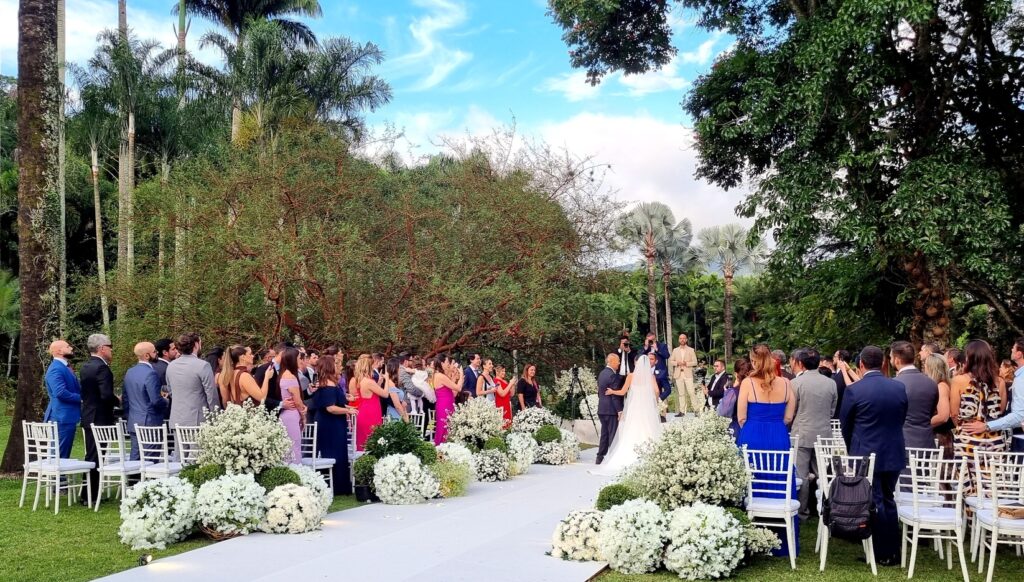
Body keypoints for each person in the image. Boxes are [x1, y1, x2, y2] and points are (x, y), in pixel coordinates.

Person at [840, 345, 908, 567]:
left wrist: (854, 447)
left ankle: (883, 552)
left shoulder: (855, 390)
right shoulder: (898, 387)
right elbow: (901, 418)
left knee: (875, 501)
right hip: (893, 451)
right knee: (888, 498)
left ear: (861, 364)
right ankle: (892, 550)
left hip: (866, 453)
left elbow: (845, 425)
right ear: (883, 363)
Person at [738, 344, 798, 558]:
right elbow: (789, 417)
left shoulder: (747, 383)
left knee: (752, 481)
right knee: (779, 481)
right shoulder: (786, 383)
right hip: (778, 436)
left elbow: (741, 417)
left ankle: (753, 536)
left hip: (753, 436)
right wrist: (775, 425)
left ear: (754, 361)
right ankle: (780, 539)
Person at [788, 347, 837, 522]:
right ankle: (825, 508)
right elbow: (832, 410)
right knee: (823, 474)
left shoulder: (796, 383)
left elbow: (792, 410)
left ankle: (802, 512)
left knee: (801, 475)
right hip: (824, 433)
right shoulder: (830, 383)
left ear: (800, 363)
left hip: (802, 433)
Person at [593, 352, 663, 475]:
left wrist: (612, 391)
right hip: (646, 409)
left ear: (636, 363)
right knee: (648, 429)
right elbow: (657, 391)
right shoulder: (651, 377)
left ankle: (623, 454)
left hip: (634, 409)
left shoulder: (631, 376)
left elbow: (622, 392)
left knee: (632, 430)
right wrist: (654, 401)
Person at [954, 340, 1010, 490]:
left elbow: (954, 413)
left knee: (969, 483)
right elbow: (1001, 410)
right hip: (994, 439)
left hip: (967, 439)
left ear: (969, 357)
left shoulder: (959, 380)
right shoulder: (999, 382)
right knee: (993, 484)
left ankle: (970, 504)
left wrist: (964, 426)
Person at [962, 337, 1024, 452]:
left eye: (1013, 348)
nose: (1011, 350)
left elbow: (1020, 416)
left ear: (1019, 354)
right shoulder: (1018, 377)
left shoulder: (1021, 379)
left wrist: (987, 426)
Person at [307, 355, 355, 495]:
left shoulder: (326, 383)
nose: (338, 366)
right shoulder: (328, 385)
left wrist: (346, 405)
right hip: (330, 423)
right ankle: (337, 485)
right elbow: (330, 408)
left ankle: (337, 484)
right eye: (335, 364)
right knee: (335, 451)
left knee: (336, 451)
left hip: (331, 422)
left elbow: (335, 402)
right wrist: (348, 410)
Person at [79, 333, 117, 504]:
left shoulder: (86, 366)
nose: (111, 350)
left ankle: (87, 493)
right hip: (100, 418)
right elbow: (106, 395)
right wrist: (118, 401)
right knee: (97, 456)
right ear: (102, 348)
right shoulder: (102, 368)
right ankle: (90, 496)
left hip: (89, 415)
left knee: (92, 455)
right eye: (110, 347)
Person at [890, 340, 940, 450]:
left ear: (897, 359)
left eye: (891, 358)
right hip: (927, 444)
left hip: (902, 444)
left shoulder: (893, 384)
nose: (890, 361)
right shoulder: (931, 383)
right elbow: (931, 411)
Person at [122, 342, 168, 461]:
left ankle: (133, 474)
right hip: (150, 422)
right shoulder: (151, 373)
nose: (157, 353)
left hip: (134, 420)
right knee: (150, 459)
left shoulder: (130, 372)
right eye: (154, 351)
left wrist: (128, 416)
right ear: (147, 355)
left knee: (135, 458)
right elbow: (155, 400)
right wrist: (166, 401)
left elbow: (125, 399)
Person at [167, 333, 220, 428]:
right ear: (196, 344)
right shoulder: (203, 365)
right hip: (198, 421)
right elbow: (211, 395)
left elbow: (171, 392)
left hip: (176, 420)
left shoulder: (171, 366)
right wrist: (216, 417)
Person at [43, 340, 81, 458]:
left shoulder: (64, 367)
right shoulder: (56, 368)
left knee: (62, 453)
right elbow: (60, 392)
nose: (71, 348)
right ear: (59, 351)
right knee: (59, 455)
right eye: (68, 346)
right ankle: (57, 471)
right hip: (61, 417)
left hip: (65, 416)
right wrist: (81, 399)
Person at [278, 348, 307, 462]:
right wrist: (303, 415)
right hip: (291, 414)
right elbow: (297, 401)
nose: (301, 360)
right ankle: (295, 469)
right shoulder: (290, 376)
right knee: (294, 447)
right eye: (299, 358)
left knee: (288, 447)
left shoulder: (284, 374)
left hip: (286, 414)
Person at [922, 353, 954, 457]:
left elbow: (943, 416)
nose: (924, 367)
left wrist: (922, 424)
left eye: (925, 364)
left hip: (940, 437)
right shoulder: (940, 385)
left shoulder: (941, 387)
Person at [595, 353, 625, 465]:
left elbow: (600, 392)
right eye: (618, 361)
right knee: (613, 434)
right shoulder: (613, 376)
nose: (619, 363)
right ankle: (613, 459)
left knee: (604, 434)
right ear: (611, 361)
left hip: (602, 408)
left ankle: (600, 457)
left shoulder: (601, 373)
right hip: (611, 410)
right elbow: (614, 396)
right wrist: (619, 410)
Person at [355, 354, 388, 450]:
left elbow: (371, 393)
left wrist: (379, 383)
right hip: (371, 412)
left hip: (364, 409)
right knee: (372, 439)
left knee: (365, 439)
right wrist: (387, 379)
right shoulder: (369, 381)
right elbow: (385, 394)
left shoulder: (361, 380)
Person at [718, 358, 750, 443]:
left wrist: (727, 392)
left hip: (737, 428)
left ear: (736, 374)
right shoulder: (756, 389)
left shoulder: (734, 392)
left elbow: (723, 412)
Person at [670, 332, 700, 416]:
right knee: (681, 394)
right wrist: (677, 363)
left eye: (684, 338)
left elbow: (695, 362)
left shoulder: (691, 350)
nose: (682, 340)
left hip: (688, 374)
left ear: (686, 340)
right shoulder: (675, 350)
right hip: (678, 374)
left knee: (691, 392)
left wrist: (686, 363)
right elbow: (671, 361)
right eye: (680, 338)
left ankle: (696, 410)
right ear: (679, 340)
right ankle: (682, 411)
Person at [431, 355, 459, 445]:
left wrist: (454, 376)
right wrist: (461, 376)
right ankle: (441, 446)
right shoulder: (440, 376)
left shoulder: (440, 375)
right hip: (444, 405)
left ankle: (444, 446)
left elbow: (451, 390)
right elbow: (458, 388)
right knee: (444, 427)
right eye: (447, 362)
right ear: (442, 363)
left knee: (447, 427)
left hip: (447, 403)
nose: (448, 364)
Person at [384, 357, 409, 422]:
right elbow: (397, 405)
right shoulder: (390, 383)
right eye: (399, 368)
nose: (400, 370)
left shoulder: (394, 382)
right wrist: (406, 420)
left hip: (399, 413)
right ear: (395, 368)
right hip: (394, 415)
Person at [831, 350, 851, 418]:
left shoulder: (841, 375)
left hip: (839, 413)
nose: (833, 358)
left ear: (840, 358)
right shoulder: (847, 373)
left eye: (834, 356)